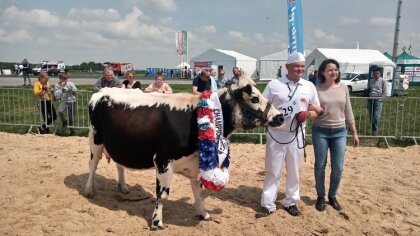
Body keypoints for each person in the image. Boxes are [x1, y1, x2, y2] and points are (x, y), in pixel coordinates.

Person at [256, 52, 320, 218]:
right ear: (288, 67)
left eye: (302, 66)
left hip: (297, 134)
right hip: (276, 134)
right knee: (272, 170)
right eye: (296, 66)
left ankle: (290, 201)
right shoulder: (274, 84)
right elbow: (262, 106)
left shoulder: (309, 86)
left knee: (294, 170)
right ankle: (268, 204)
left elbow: (317, 109)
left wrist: (308, 115)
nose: (300, 69)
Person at [312, 59, 359, 212]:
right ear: (323, 72)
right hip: (321, 131)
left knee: (338, 167)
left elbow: (348, 110)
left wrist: (354, 132)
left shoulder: (344, 88)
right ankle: (320, 195)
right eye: (330, 70)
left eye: (336, 69)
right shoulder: (316, 89)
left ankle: (332, 196)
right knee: (320, 165)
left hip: (339, 132)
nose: (333, 72)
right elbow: (310, 108)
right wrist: (314, 111)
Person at [367, 67, 387, 136]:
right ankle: (373, 130)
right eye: (374, 74)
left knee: (376, 116)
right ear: (373, 74)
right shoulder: (371, 81)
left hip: (378, 100)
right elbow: (369, 89)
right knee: (371, 116)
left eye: (377, 73)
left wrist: (381, 99)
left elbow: (384, 91)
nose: (376, 75)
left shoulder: (383, 81)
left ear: (380, 73)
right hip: (370, 99)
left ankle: (374, 131)